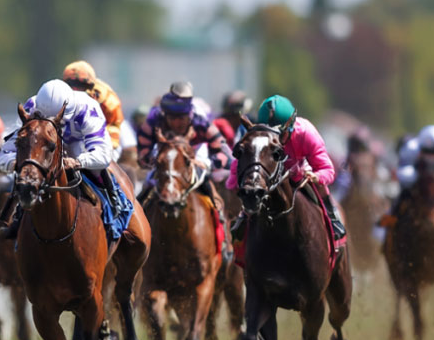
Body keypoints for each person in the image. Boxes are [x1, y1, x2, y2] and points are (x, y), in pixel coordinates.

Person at [0, 79, 122, 239]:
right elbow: (4, 155)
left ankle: (114, 204)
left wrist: (78, 161)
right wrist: (17, 163)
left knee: (96, 169)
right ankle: (15, 219)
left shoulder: (87, 107)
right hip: (44, 149)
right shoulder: (31, 107)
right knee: (25, 173)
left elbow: (104, 155)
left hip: (78, 146)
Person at [227, 94, 345, 241]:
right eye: (268, 132)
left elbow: (327, 169)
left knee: (319, 186)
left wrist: (317, 176)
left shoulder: (306, 132)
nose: (275, 138)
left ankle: (332, 218)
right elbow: (241, 162)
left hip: (299, 173)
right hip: (269, 179)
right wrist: (233, 185)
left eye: (280, 133)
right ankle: (243, 221)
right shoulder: (257, 136)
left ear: (290, 125)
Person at [135, 81, 232, 212]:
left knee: (210, 188)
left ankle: (219, 215)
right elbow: (142, 154)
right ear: (165, 115)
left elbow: (224, 153)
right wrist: (156, 160)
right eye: (172, 118)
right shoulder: (153, 121)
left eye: (181, 118)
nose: (176, 123)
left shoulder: (200, 122)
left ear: (189, 115)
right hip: (163, 160)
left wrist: (208, 163)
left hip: (195, 158)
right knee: (145, 191)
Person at [61, 60, 124, 147]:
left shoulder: (107, 98)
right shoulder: (60, 95)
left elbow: (114, 125)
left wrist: (106, 145)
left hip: (105, 134)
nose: (76, 89)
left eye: (81, 85)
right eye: (71, 84)